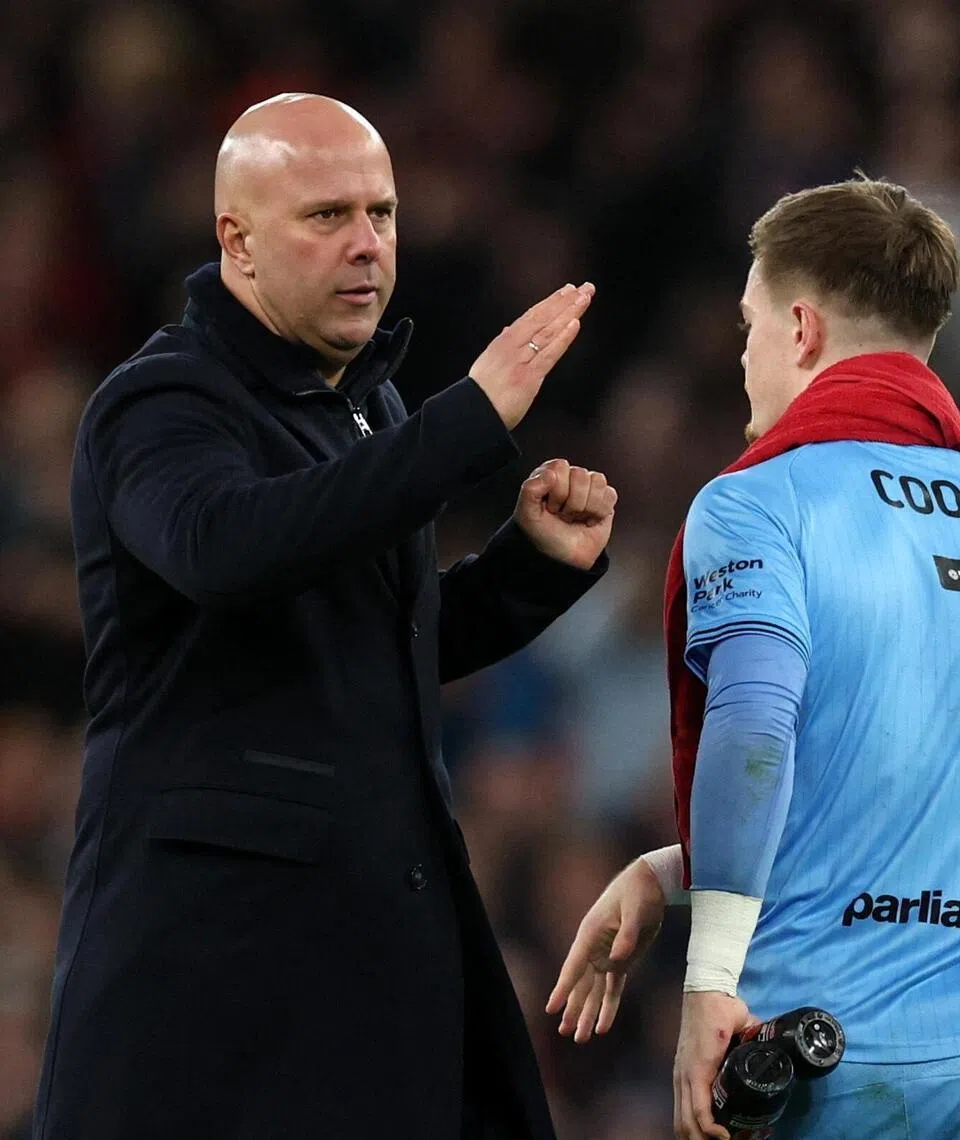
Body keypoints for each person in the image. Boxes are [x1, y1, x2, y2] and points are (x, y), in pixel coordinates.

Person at [35, 92, 617, 1140]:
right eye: (327, 216)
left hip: (363, 974)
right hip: (218, 989)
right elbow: (226, 548)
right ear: (237, 241)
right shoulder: (162, 401)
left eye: (383, 214)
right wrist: (464, 425)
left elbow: (375, 644)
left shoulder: (365, 410)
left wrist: (528, 568)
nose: (367, 246)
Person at [548, 177, 960, 1139]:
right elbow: (922, 802)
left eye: (748, 326)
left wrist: (709, 975)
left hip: (845, 1063)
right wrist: (671, 868)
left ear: (800, 329)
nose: (744, 356)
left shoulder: (760, 504)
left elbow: (755, 733)